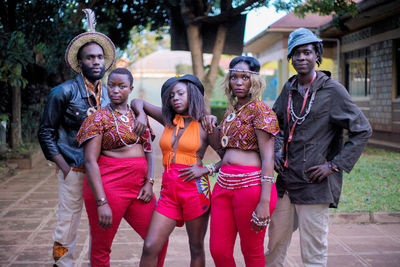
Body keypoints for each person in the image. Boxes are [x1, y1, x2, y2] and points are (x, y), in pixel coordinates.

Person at [266, 28, 372, 267]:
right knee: (274, 246)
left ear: (317, 56)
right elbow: (276, 123)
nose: (301, 58)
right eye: (296, 53)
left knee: (313, 253)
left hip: (314, 184)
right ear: (290, 58)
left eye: (307, 52)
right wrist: (277, 148)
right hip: (285, 182)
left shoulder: (333, 90)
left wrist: (334, 165)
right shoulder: (289, 88)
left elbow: (362, 129)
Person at [38, 9, 116, 266]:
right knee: (67, 225)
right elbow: (45, 132)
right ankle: (62, 264)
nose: (96, 62)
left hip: (103, 172)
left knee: (100, 224)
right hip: (73, 168)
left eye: (100, 57)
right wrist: (64, 167)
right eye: (90, 57)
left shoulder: (109, 96)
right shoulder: (62, 92)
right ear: (80, 62)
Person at [75, 68, 167, 266]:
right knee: (101, 248)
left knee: (158, 238)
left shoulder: (139, 117)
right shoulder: (97, 119)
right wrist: (102, 202)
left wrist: (150, 182)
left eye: (122, 86)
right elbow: (90, 161)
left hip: (139, 188)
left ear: (130, 88)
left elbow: (149, 150)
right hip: (109, 186)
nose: (116, 90)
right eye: (112, 85)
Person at [131, 74, 222, 267]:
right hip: (169, 192)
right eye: (172, 95)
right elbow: (138, 101)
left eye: (181, 93)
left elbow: (230, 158)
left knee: (196, 247)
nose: (175, 98)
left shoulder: (206, 125)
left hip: (196, 192)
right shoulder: (168, 119)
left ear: (193, 95)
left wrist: (206, 169)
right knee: (150, 245)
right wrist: (140, 114)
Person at [209, 56, 280, 267]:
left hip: (251, 188)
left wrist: (264, 202)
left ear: (255, 81)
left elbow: (268, 157)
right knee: (218, 251)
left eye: (244, 77)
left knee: (251, 251)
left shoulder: (261, 111)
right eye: (234, 77)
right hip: (223, 186)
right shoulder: (232, 111)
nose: (238, 82)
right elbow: (224, 150)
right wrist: (212, 125)